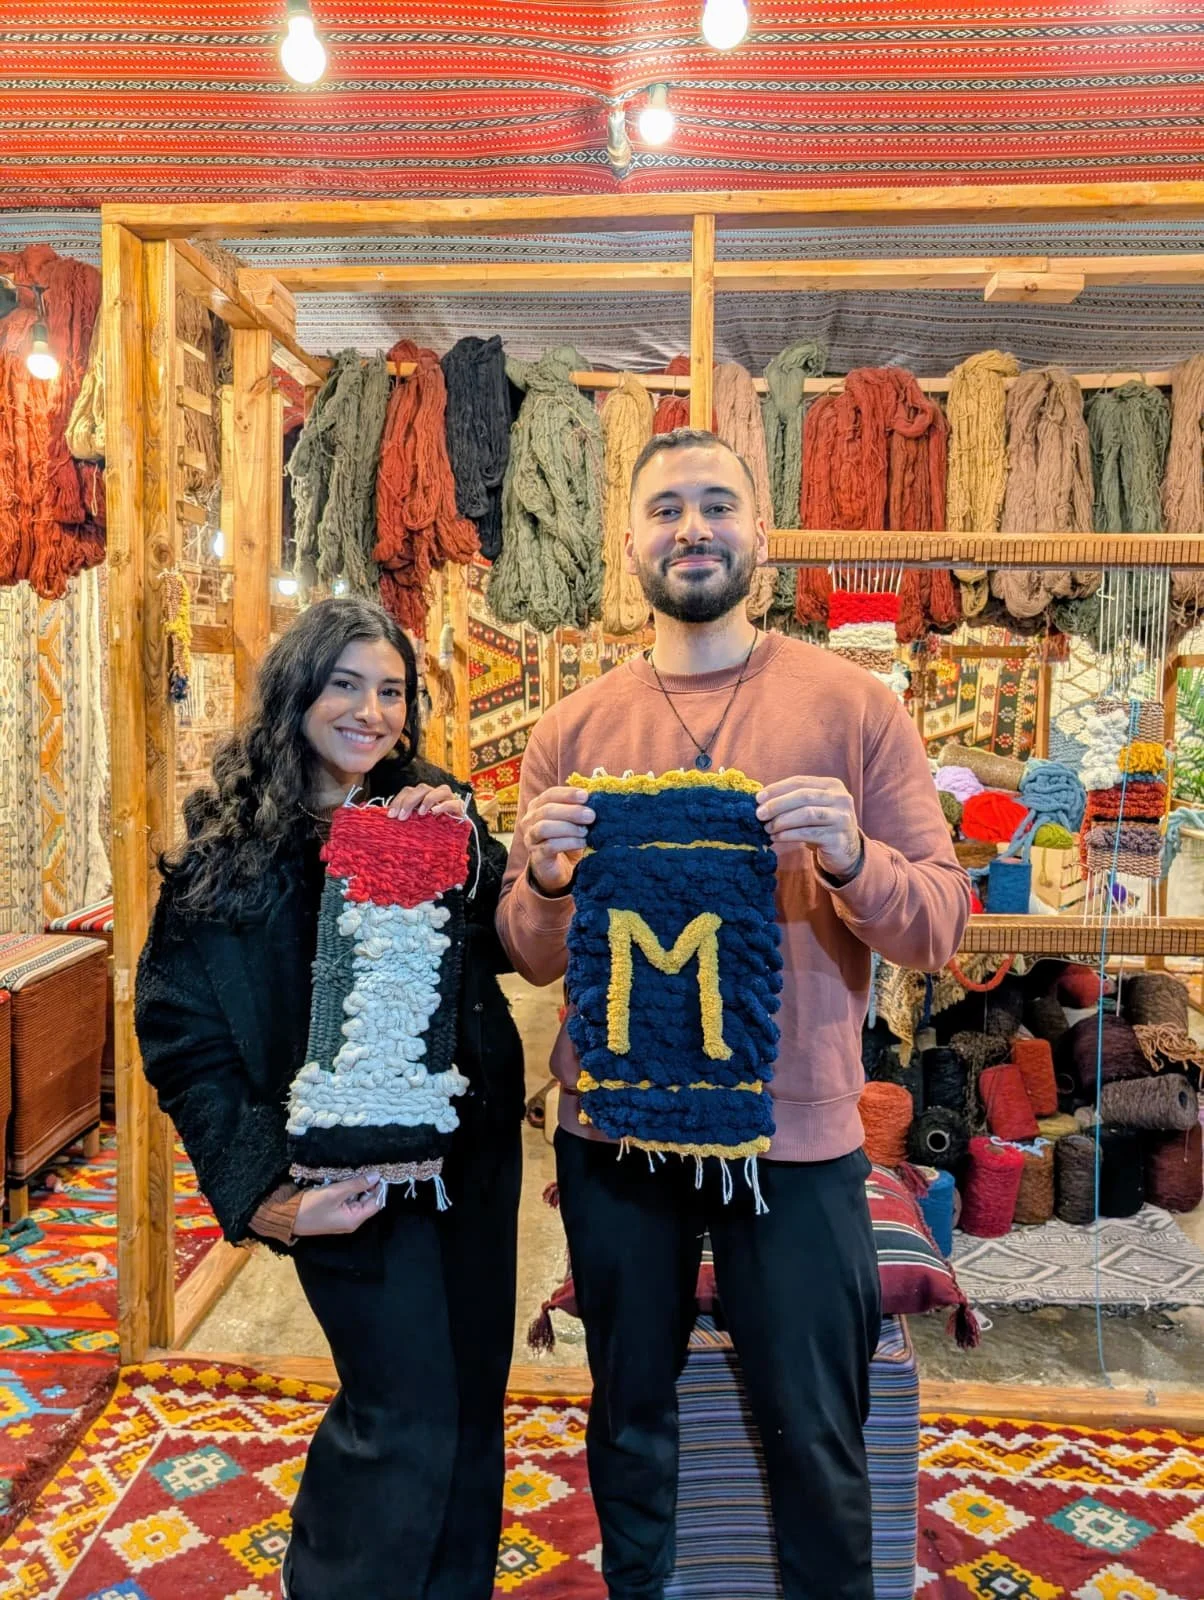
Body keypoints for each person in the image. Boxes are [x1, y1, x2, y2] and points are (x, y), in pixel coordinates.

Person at [498, 428, 970, 1600]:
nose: (692, 528)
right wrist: (549, 882)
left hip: (795, 1138)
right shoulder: (571, 730)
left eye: (717, 505)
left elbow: (943, 926)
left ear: (760, 533)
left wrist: (856, 857)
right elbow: (526, 949)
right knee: (630, 1418)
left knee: (819, 1428)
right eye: (665, 509)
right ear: (630, 543)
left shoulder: (854, 707)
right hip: (615, 1131)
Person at [135, 596, 524, 1600]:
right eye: (345, 683)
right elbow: (183, 1040)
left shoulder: (427, 805)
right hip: (339, 1178)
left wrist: (472, 856)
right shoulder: (230, 853)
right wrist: (265, 1193)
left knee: (472, 1403)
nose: (370, 710)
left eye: (390, 689)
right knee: (401, 1412)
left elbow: (492, 952)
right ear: (295, 690)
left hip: (469, 1164)